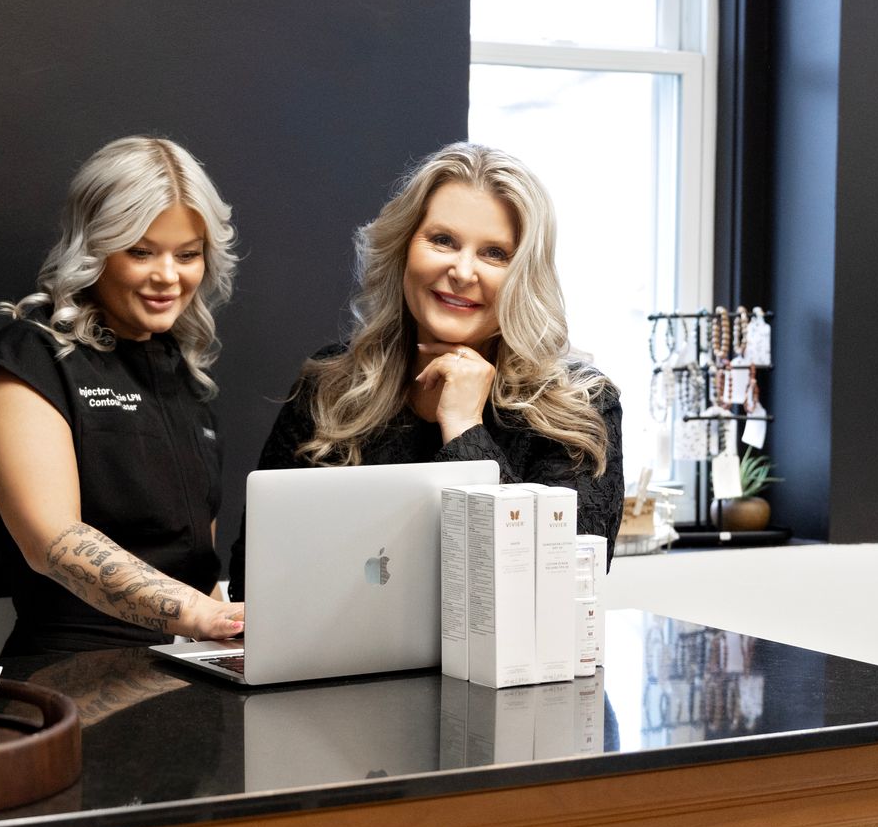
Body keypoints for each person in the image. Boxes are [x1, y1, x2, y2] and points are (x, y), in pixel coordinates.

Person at [231, 142, 623, 598]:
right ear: (403, 248)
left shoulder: (580, 406)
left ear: (524, 276)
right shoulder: (330, 386)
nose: (462, 270)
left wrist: (464, 428)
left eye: (495, 253)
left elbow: (551, 589)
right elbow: (252, 578)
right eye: (443, 241)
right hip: (337, 667)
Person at [0, 136, 246, 656]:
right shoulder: (29, 358)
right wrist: (206, 615)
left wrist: (231, 640)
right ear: (94, 247)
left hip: (184, 665)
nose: (168, 276)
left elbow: (195, 562)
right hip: (70, 672)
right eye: (141, 251)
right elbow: (53, 541)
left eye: (187, 255)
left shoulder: (186, 378)